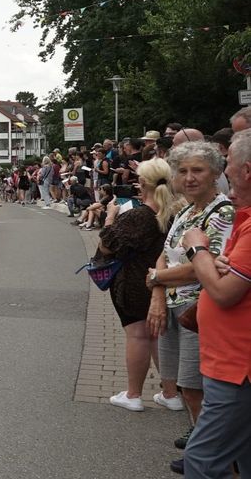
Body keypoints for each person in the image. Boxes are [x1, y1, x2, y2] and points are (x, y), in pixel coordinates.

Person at [144, 142, 233, 471]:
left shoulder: (221, 212)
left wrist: (156, 279)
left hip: (197, 309)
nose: (190, 177)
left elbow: (203, 265)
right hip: (172, 303)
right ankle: (200, 446)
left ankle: (211, 454)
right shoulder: (185, 210)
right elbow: (165, 253)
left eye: (198, 170)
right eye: (183, 171)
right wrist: (156, 291)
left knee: (196, 385)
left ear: (216, 174)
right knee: (183, 385)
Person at [180, 130, 251, 477]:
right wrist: (214, 261)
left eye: (229, 165)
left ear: (247, 170)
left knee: (202, 462)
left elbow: (224, 293)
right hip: (230, 362)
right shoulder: (244, 217)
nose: (227, 173)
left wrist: (197, 249)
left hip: (238, 368)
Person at [97, 157, 179, 412]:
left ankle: (133, 394)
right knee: (156, 336)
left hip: (133, 282)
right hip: (160, 281)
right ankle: (170, 392)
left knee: (138, 335)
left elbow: (107, 246)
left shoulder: (138, 216)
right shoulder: (175, 212)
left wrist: (110, 216)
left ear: (142, 183)